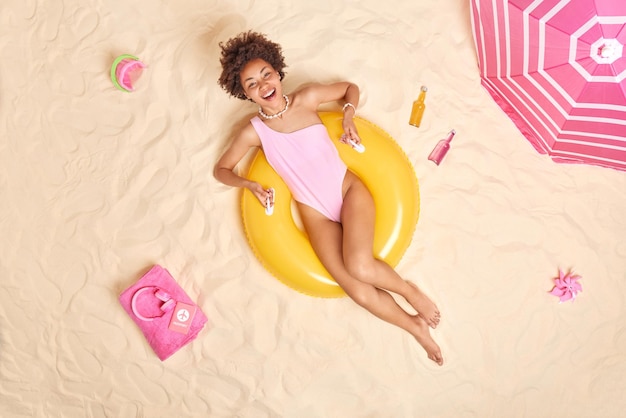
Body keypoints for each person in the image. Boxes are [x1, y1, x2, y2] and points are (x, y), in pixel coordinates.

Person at [214, 31, 443, 365]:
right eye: (251, 84)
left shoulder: (307, 98)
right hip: (315, 214)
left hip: (347, 190)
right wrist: (247, 184)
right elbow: (221, 169)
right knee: (358, 290)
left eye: (265, 74)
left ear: (278, 71)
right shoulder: (253, 132)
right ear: (245, 94)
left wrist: (348, 114)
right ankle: (415, 327)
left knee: (360, 265)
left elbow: (350, 88)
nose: (262, 84)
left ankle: (409, 291)